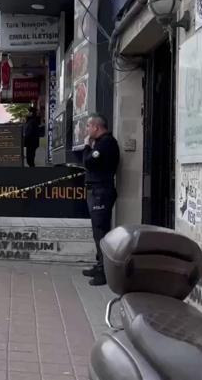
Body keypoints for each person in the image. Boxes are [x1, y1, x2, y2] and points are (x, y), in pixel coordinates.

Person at [81, 114, 120, 286]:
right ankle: (100, 265)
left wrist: (86, 146)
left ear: (96, 127)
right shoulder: (102, 143)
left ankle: (105, 272)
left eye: (88, 126)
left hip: (101, 192)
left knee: (101, 231)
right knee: (98, 232)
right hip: (96, 191)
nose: (86, 130)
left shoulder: (106, 143)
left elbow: (89, 162)